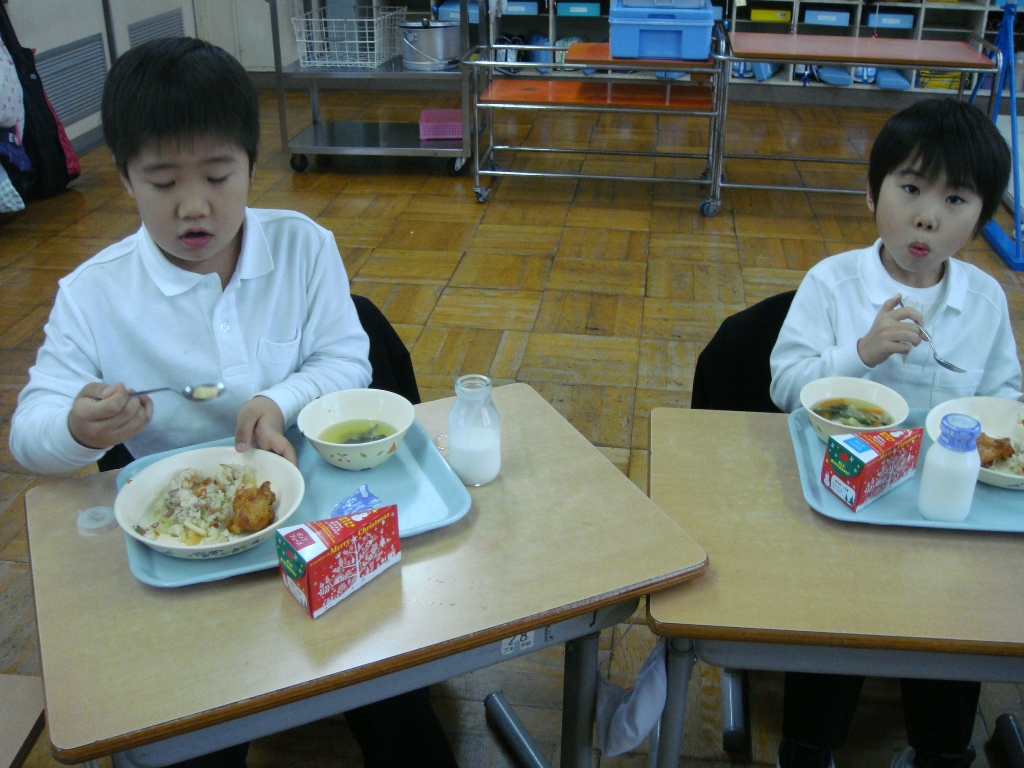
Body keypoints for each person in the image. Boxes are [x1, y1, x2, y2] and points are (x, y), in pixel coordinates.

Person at [9, 37, 458, 768]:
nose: (194, 206)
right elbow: (29, 434)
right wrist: (77, 427)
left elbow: (347, 358)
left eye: (219, 176)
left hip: (320, 511)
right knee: (190, 732)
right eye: (162, 182)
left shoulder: (304, 247)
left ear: (252, 164)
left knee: (396, 707)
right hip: (184, 548)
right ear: (123, 178)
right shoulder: (94, 295)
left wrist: (279, 401)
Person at [769, 98, 1022, 768]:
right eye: (910, 188)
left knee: (956, 616)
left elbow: (1006, 401)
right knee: (837, 612)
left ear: (982, 216)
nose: (928, 216)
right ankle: (808, 745)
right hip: (838, 495)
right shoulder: (832, 283)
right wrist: (861, 352)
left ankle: (940, 750)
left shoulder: (984, 300)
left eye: (955, 199)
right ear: (873, 191)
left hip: (949, 507)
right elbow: (784, 384)